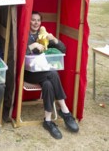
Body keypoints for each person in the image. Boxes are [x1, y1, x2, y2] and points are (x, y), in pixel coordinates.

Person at [25, 11, 79, 139]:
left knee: (48, 83)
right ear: (28, 21)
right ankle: (65, 111)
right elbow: (17, 53)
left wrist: (54, 39)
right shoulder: (24, 34)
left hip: (44, 72)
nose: (36, 22)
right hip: (29, 73)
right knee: (53, 73)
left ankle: (48, 121)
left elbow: (63, 50)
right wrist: (31, 46)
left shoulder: (43, 35)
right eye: (33, 20)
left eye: (38, 20)